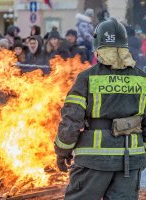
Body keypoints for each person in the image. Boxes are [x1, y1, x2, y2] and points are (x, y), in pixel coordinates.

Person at [54, 18, 146, 200]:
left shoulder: (87, 78)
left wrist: (62, 151)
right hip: (130, 162)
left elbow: (72, 120)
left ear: (98, 47)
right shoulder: (142, 78)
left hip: (92, 161)